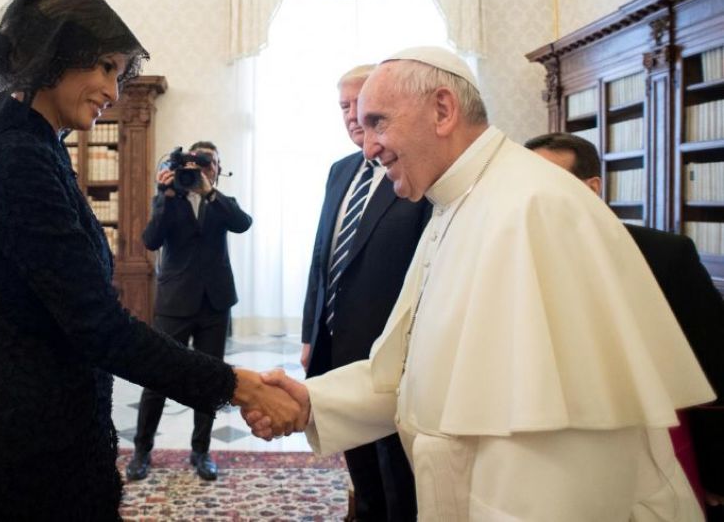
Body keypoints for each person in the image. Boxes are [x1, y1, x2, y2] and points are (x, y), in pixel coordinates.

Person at [245, 46, 715, 520]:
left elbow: (553, 453)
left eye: (379, 123)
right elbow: (423, 373)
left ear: (443, 110)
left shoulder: (534, 207)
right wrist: (315, 401)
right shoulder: (455, 202)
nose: (368, 148)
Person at [0, 0, 297, 521]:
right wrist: (237, 385)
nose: (112, 88)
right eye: (105, 66)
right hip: (25, 450)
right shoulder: (15, 156)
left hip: (44, 427)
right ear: (55, 54)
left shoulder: (33, 143)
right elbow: (98, 327)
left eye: (120, 71)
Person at [524, 132, 724, 520]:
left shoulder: (665, 254)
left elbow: (713, 363)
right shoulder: (522, 255)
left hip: (657, 440)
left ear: (592, 187)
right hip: (563, 450)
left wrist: (717, 470)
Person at [301, 64, 426, 520]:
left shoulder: (415, 173)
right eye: (343, 107)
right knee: (362, 475)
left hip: (390, 358)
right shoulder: (340, 171)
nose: (353, 116)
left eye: (361, 105)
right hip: (336, 348)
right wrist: (310, 333)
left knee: (399, 480)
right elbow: (323, 258)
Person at [126, 141, 252, 482]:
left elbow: (243, 223)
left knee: (209, 383)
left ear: (217, 167)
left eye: (210, 162)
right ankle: (141, 451)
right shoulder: (169, 198)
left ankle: (201, 452)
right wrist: (164, 196)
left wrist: (210, 192)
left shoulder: (222, 203)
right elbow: (151, 241)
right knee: (156, 378)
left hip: (214, 303)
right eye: (198, 162)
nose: (203, 168)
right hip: (175, 303)